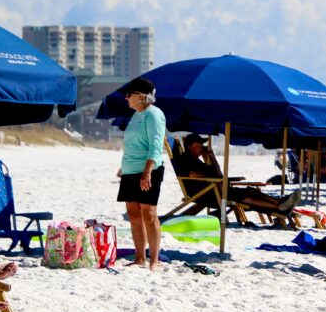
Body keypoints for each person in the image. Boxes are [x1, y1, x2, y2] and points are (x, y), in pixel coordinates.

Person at [174, 134, 301, 215]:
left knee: (251, 191)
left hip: (214, 190)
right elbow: (192, 174)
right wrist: (213, 179)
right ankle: (279, 207)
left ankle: (280, 202)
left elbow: (218, 173)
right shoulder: (186, 159)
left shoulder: (197, 160)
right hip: (209, 194)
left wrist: (211, 157)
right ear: (191, 146)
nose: (202, 147)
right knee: (245, 196)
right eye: (199, 144)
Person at [117, 77, 167, 270]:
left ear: (139, 96)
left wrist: (146, 172)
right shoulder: (136, 115)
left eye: (129, 95)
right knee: (133, 214)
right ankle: (140, 258)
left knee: (149, 213)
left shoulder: (154, 114)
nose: (126, 98)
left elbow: (156, 144)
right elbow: (133, 144)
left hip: (149, 169)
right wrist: (124, 168)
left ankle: (154, 259)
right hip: (130, 170)